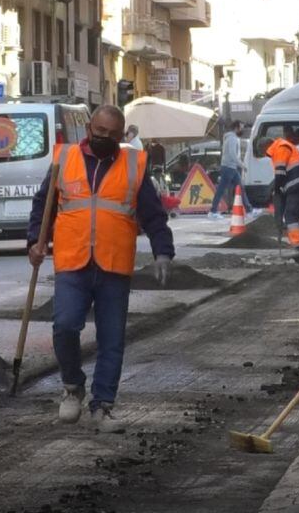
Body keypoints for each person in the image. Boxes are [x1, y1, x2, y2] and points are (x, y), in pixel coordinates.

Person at [28, 105, 174, 431]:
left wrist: (162, 252)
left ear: (121, 136)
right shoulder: (64, 160)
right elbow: (44, 204)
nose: (103, 138)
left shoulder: (133, 166)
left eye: (111, 134)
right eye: (99, 132)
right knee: (65, 326)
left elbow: (153, 214)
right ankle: (72, 386)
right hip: (73, 261)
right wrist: (34, 242)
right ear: (89, 129)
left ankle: (102, 405)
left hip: (113, 264)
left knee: (112, 340)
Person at [266, 126, 299, 260]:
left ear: (266, 146)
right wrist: (276, 188)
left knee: (290, 215)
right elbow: (283, 174)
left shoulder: (280, 148)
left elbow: (280, 172)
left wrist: (276, 189)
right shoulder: (284, 146)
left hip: (298, 188)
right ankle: (298, 246)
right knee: (292, 217)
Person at [208, 121, 254, 219]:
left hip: (230, 167)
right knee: (222, 189)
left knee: (240, 188)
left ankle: (249, 210)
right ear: (236, 128)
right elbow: (233, 155)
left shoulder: (231, 138)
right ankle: (213, 211)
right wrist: (242, 165)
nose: (242, 130)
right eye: (241, 128)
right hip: (229, 168)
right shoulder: (232, 139)